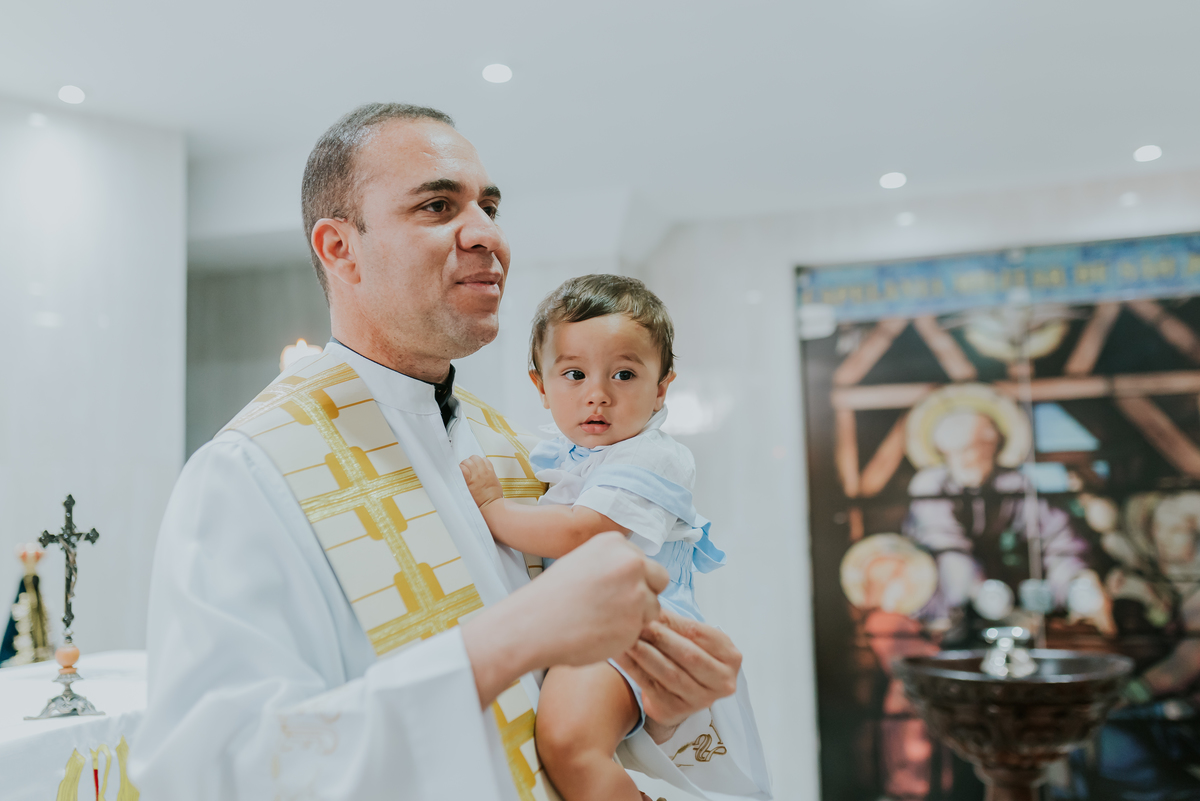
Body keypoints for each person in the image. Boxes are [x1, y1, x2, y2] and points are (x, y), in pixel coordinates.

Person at [131, 103, 770, 801]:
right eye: (439, 205)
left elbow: (562, 715)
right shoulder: (249, 475)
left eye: (489, 206)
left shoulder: (520, 452)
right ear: (339, 247)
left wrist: (665, 704)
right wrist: (501, 643)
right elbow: (210, 772)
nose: (487, 234)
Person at [459, 275, 732, 800]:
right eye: (574, 374)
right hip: (601, 626)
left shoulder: (652, 455)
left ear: (662, 387)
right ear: (541, 386)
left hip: (635, 635)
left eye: (624, 374)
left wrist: (492, 507)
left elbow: (584, 532)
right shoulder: (570, 455)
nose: (597, 395)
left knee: (569, 747)